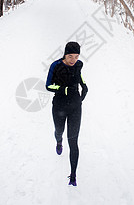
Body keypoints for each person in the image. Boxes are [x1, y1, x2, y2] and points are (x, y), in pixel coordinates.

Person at [45, 41, 88, 186]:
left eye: (76, 57)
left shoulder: (78, 65)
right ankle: (58, 140)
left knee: (73, 141)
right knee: (59, 131)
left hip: (75, 107)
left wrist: (84, 87)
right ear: (65, 54)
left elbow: (79, 78)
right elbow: (48, 85)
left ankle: (73, 175)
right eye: (70, 56)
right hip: (59, 107)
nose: (73, 60)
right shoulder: (56, 66)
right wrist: (63, 89)